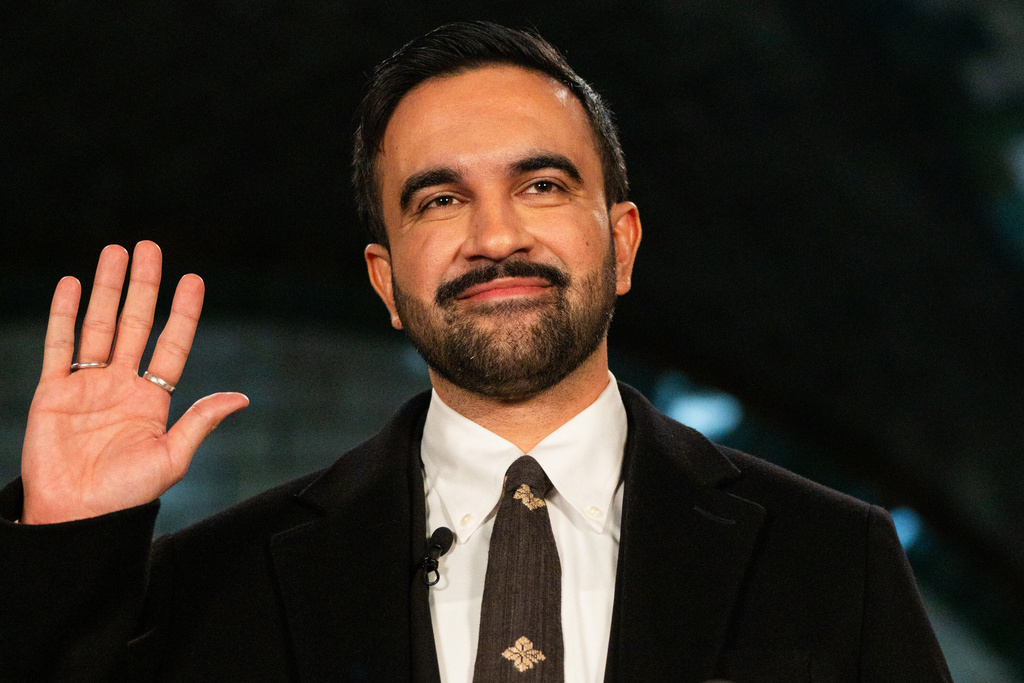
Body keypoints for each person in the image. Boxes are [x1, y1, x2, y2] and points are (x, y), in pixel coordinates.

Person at [0, 21, 950, 683]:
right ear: (384, 280)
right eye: (439, 199)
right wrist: (65, 544)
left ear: (620, 243)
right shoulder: (214, 587)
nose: (494, 236)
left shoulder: (833, 559)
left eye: (540, 184)